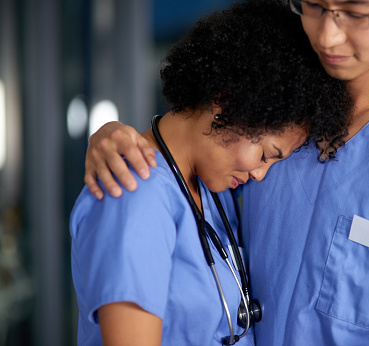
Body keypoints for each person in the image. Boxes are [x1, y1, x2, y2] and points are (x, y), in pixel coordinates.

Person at [83, 0, 369, 345]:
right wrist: (114, 137)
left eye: (355, 13)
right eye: (314, 6)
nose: (327, 36)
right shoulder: (275, 111)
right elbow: (183, 159)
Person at [70, 0, 352, 345]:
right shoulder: (133, 191)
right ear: (227, 104)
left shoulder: (212, 192)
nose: (261, 175)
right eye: (266, 154)